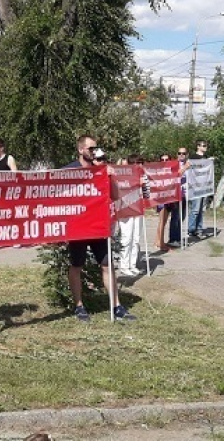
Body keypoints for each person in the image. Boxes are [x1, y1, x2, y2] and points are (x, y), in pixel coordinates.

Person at [64, 135, 136, 321]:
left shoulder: (102, 170)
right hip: (78, 227)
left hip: (98, 226)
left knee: (107, 264)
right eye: (91, 148)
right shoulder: (70, 170)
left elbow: (115, 195)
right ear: (81, 150)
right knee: (76, 265)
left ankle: (116, 306)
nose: (94, 151)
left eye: (96, 148)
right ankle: (79, 306)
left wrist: (110, 176)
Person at [117, 154, 147, 276]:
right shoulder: (123, 176)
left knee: (136, 238)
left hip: (138, 209)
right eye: (137, 162)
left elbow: (147, 193)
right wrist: (136, 184)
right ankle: (123, 265)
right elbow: (120, 190)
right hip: (126, 209)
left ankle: (132, 264)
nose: (140, 165)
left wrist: (144, 187)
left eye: (141, 162)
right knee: (126, 238)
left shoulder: (143, 176)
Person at [165, 147, 191, 247]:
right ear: (177, 154)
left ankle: (178, 238)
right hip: (176, 194)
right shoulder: (174, 164)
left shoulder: (189, 164)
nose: (181, 155)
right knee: (175, 216)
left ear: (187, 154)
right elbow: (175, 175)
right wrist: (185, 168)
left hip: (186, 194)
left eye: (183, 153)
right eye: (179, 153)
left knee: (182, 216)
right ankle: (172, 239)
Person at [187, 139, 211, 237]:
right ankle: (191, 229)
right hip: (196, 187)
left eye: (206, 145)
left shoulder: (206, 157)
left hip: (204, 186)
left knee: (201, 209)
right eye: (203, 145)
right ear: (198, 146)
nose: (205, 147)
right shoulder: (193, 157)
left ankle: (199, 229)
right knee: (195, 209)